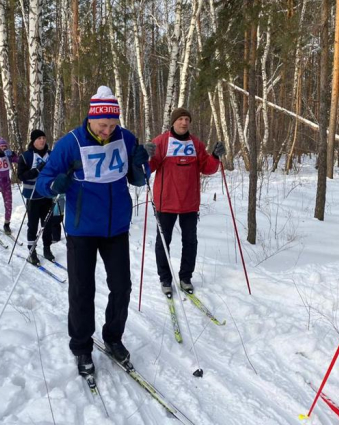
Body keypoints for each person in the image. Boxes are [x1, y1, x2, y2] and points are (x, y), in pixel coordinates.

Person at [36, 86, 150, 377]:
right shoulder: (70, 143)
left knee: (122, 286)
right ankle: (81, 345)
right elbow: (43, 181)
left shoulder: (125, 138)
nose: (108, 130)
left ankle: (113, 337)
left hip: (116, 227)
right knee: (82, 290)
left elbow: (138, 179)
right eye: (103, 125)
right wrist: (55, 185)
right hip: (82, 228)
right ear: (91, 118)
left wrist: (140, 166)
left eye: (113, 124)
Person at [144, 108, 225, 295]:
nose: (184, 122)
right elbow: (148, 168)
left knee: (190, 241)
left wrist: (215, 156)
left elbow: (207, 167)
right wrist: (145, 156)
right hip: (166, 202)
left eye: (187, 119)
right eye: (180, 119)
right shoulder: (161, 142)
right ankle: (165, 278)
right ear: (173, 122)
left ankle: (185, 277)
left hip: (189, 202)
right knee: (164, 242)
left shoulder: (195, 143)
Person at [17, 129, 56, 265]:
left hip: (47, 195)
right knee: (33, 225)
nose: (42, 140)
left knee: (47, 224)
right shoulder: (25, 156)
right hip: (33, 196)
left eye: (44, 138)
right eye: (39, 138)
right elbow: (21, 176)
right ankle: (32, 251)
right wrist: (37, 170)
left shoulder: (51, 155)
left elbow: (57, 170)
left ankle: (47, 248)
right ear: (33, 141)